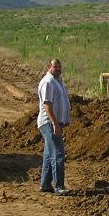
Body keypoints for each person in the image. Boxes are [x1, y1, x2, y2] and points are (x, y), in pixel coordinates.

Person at [37, 58, 71, 195]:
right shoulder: (48, 82)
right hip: (49, 123)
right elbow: (47, 105)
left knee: (48, 154)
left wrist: (64, 119)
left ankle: (45, 184)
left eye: (59, 67)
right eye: (55, 67)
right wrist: (55, 124)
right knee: (58, 154)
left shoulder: (58, 81)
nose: (58, 69)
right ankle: (59, 186)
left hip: (54, 123)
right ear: (48, 67)